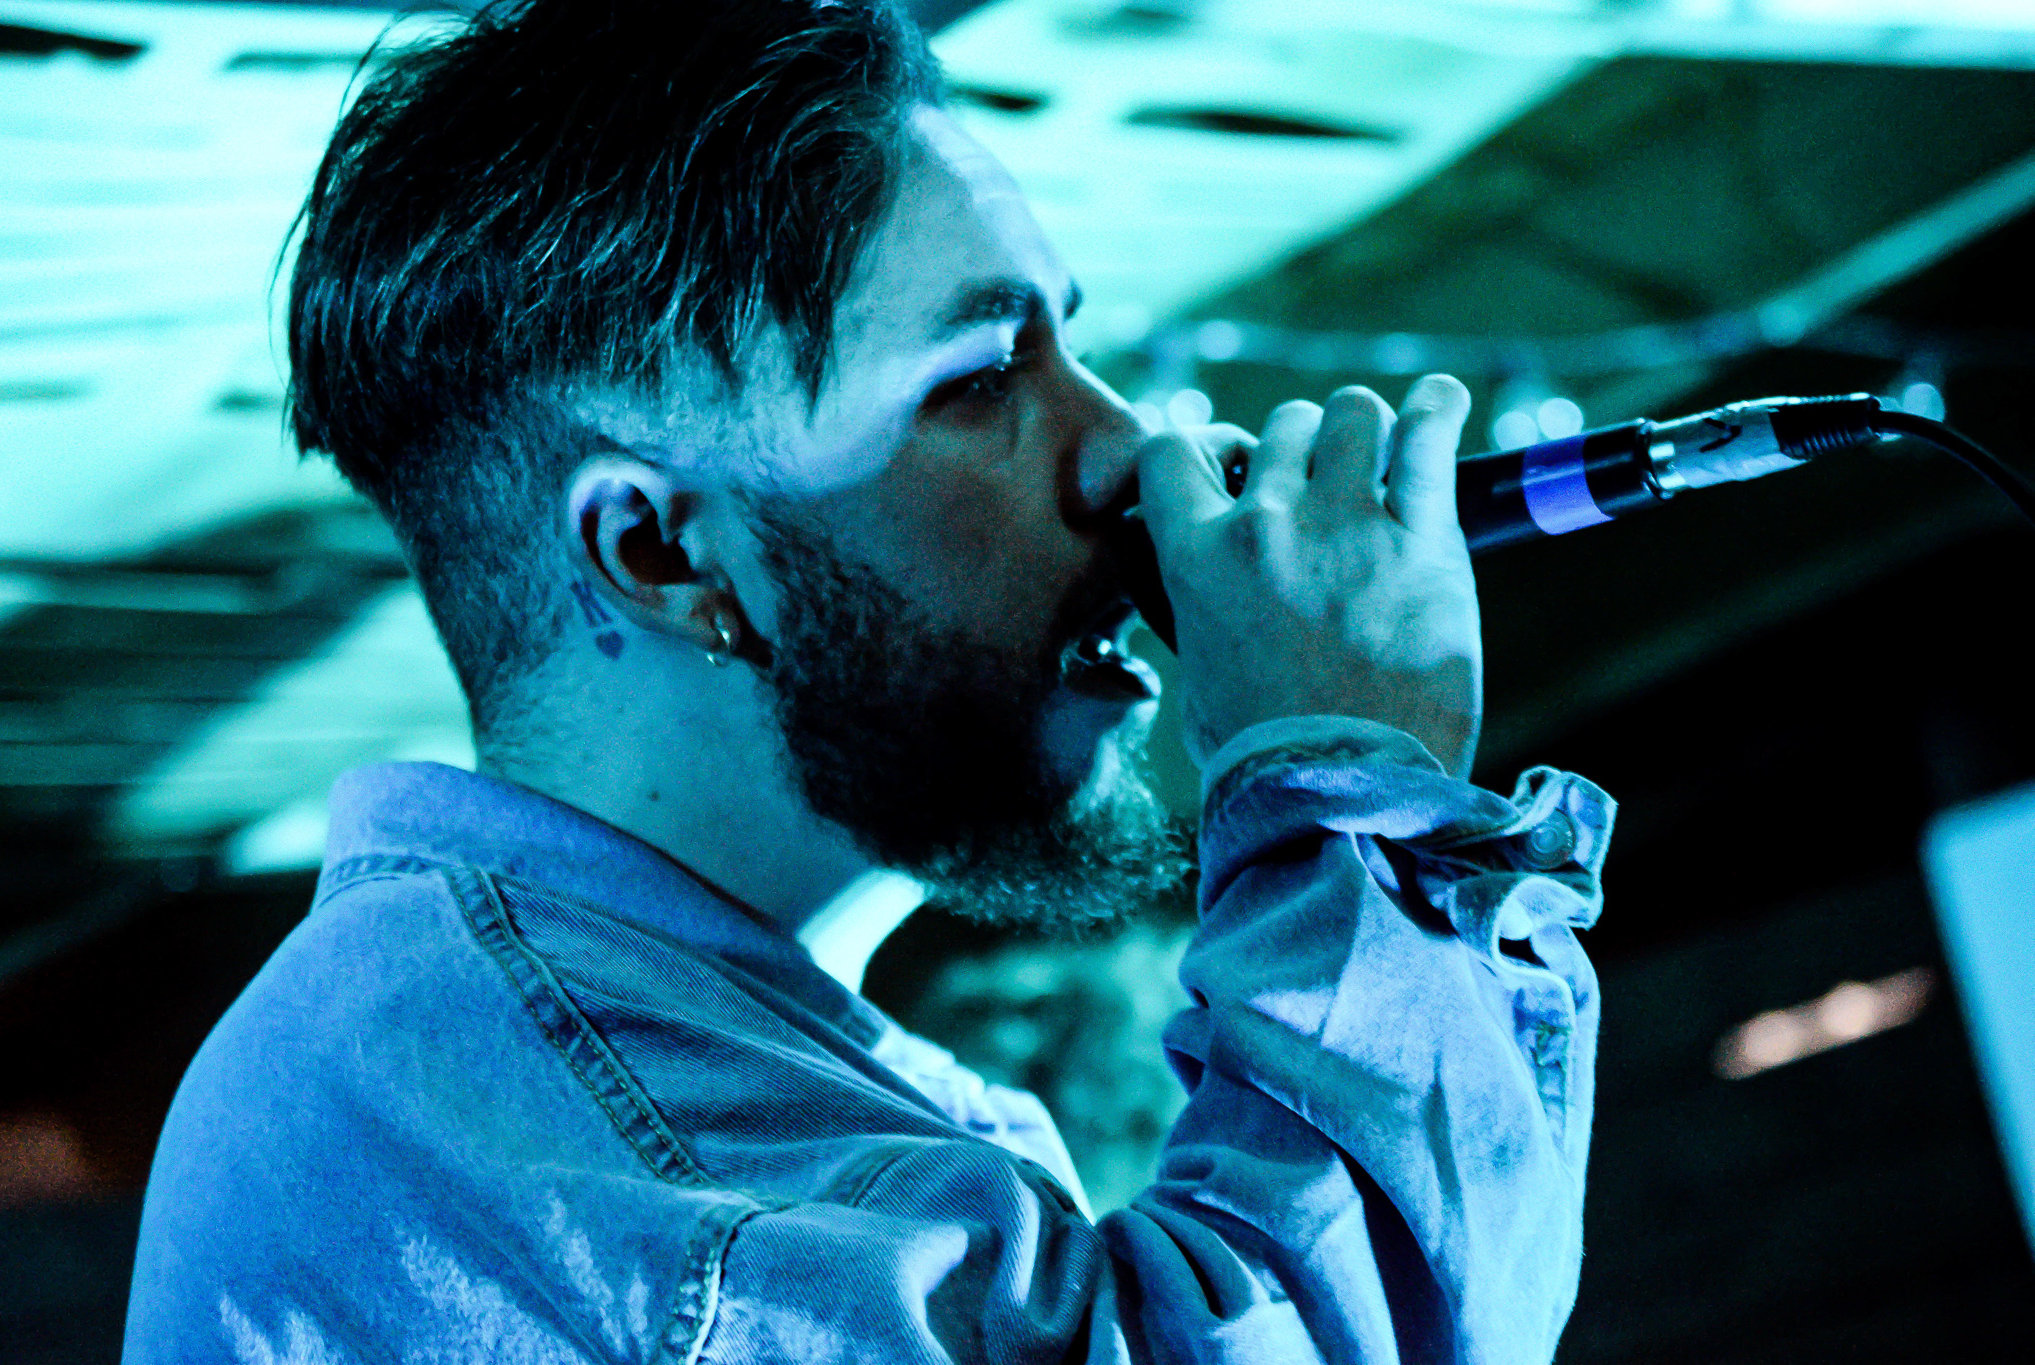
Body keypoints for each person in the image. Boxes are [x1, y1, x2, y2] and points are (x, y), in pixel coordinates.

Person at [123, 1, 1613, 1361]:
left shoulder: (602, 1066)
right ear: (661, 550)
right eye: (980, 377)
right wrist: (1351, 787)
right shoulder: (572, 1139)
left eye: (1072, 349)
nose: (1128, 448)